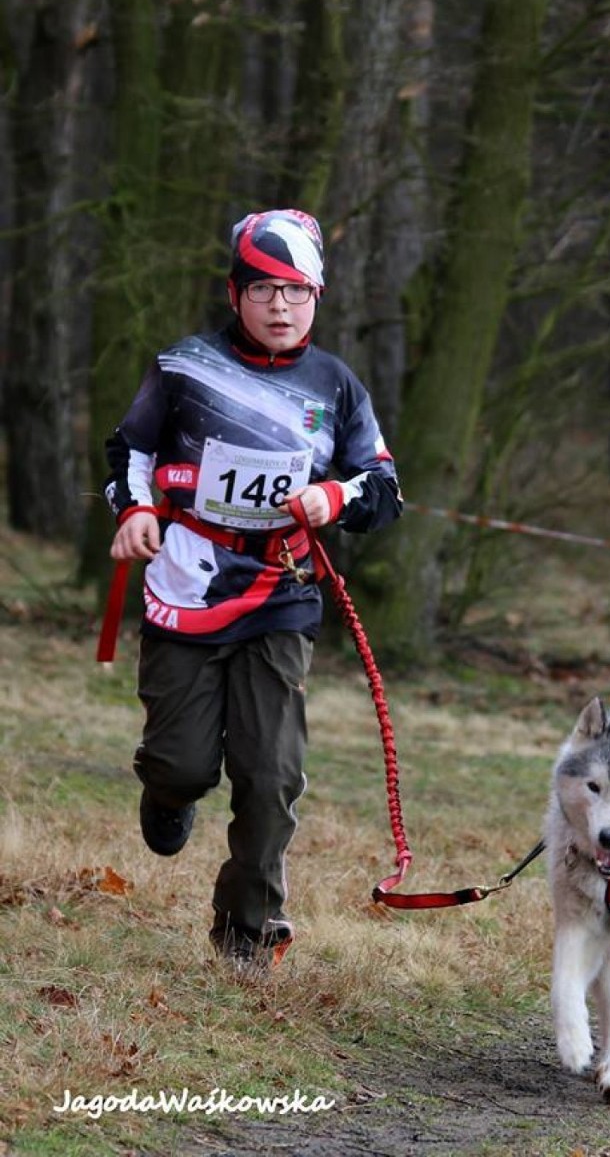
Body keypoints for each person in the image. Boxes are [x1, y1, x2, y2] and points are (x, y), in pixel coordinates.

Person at [103, 209, 402, 972]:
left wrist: (334, 499)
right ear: (235, 293)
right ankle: (168, 792)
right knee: (184, 764)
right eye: (264, 289)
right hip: (187, 581)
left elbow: (383, 486)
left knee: (271, 775)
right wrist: (135, 510)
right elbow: (129, 449)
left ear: (317, 298)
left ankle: (248, 931)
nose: (280, 306)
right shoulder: (184, 366)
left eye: (297, 292)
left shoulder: (337, 385)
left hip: (283, 589)